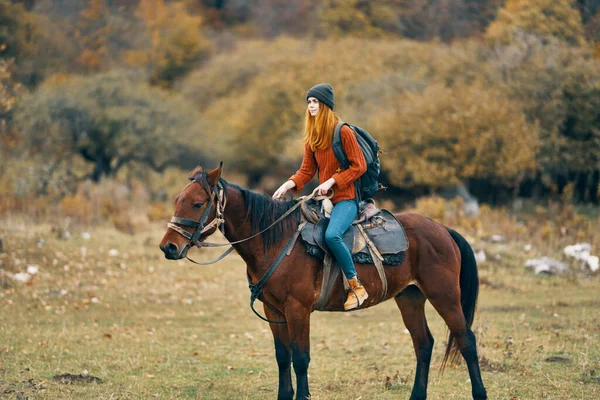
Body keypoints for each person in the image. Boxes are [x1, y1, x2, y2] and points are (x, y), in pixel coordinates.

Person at [272, 83, 368, 310]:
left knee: (333, 235)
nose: (311, 106)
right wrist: (288, 184)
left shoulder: (343, 132)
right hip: (324, 202)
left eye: (315, 101)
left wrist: (333, 180)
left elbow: (359, 165)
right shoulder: (312, 136)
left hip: (347, 199)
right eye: (309, 102)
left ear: (325, 105)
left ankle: (356, 286)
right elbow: (306, 171)